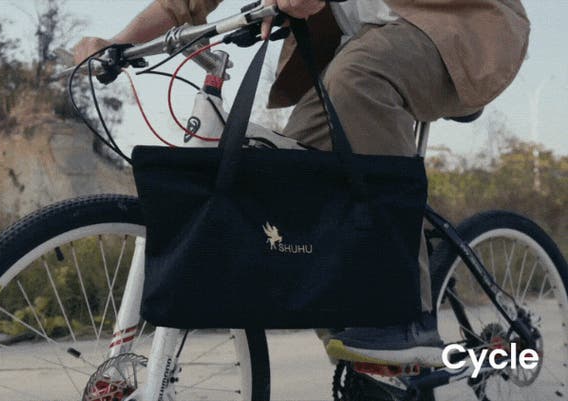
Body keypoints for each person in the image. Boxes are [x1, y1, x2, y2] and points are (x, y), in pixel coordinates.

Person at [73, 0, 529, 366]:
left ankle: (404, 315)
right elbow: (181, 5)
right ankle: (362, 351)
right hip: (363, 43)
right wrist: (116, 43)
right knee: (295, 176)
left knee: (358, 79)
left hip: (458, 26)